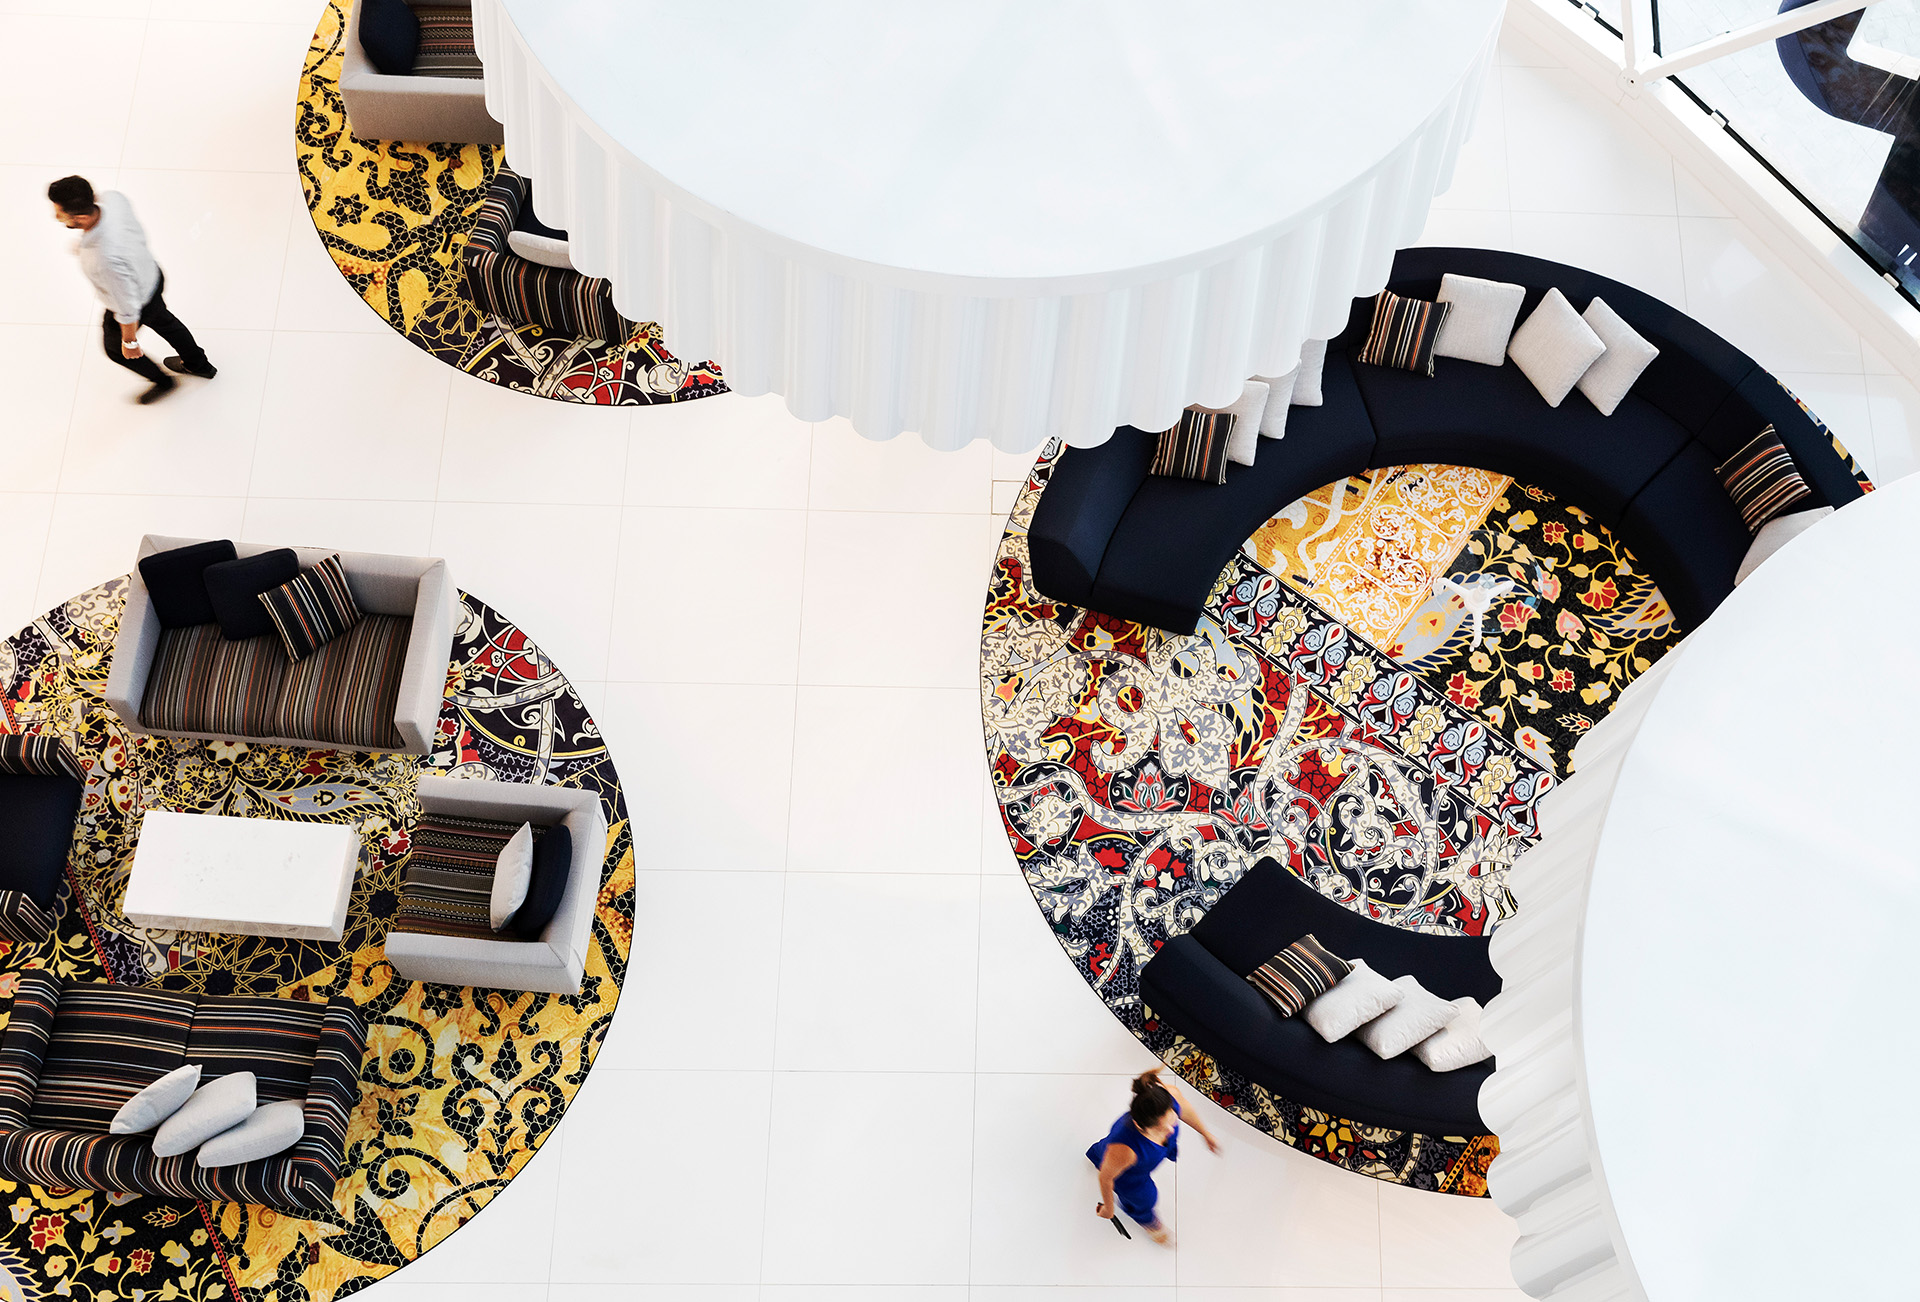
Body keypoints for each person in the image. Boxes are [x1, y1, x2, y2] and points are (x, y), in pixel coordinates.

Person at [47, 175, 216, 404]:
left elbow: (127, 306)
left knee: (115, 349)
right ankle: (199, 364)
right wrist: (86, 244)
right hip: (152, 275)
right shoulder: (114, 200)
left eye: (60, 213)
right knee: (165, 321)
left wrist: (130, 342)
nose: (56, 217)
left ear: (83, 217)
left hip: (137, 299)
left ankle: (163, 382)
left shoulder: (101, 260)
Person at [1088, 1067, 1220, 1245]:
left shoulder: (1168, 1096)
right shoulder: (1124, 1149)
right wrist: (1108, 1209)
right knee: (1146, 1199)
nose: (1170, 1130)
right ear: (1140, 1126)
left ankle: (1098, 1155)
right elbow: (1105, 1178)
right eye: (1161, 1128)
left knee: (1105, 1153)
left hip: (1131, 1158)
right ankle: (1149, 1223)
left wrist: (1204, 1133)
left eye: (1171, 1119)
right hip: (1131, 1177)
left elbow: (1185, 1109)